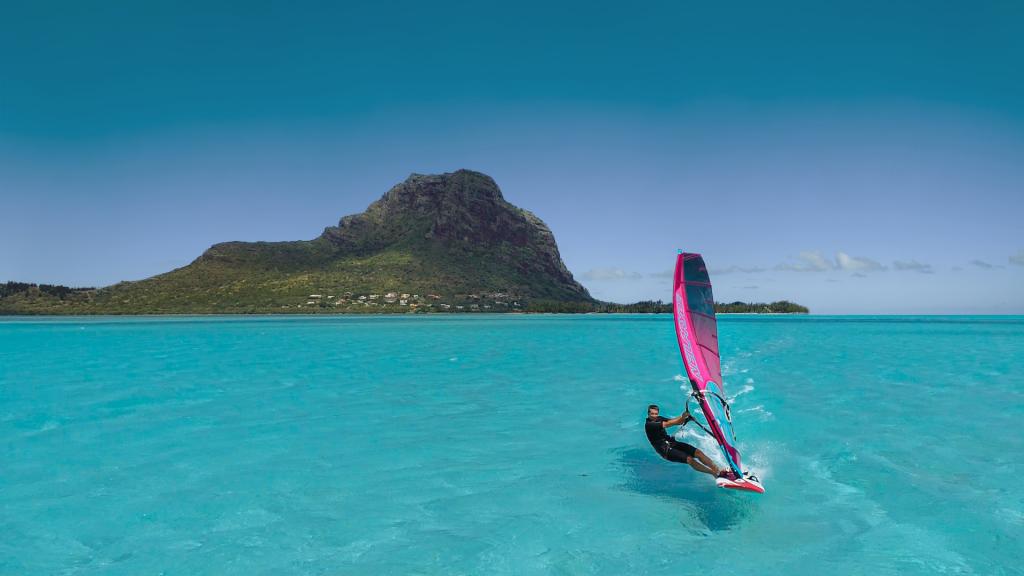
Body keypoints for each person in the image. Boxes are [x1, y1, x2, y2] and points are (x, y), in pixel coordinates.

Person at [644, 404, 725, 478]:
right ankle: (713, 473)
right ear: (648, 414)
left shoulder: (659, 418)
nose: (654, 416)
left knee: (698, 453)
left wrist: (685, 417)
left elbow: (677, 422)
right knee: (690, 459)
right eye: (652, 414)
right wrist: (683, 416)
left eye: (656, 414)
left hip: (672, 443)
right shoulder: (649, 425)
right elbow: (667, 424)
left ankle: (718, 470)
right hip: (665, 450)